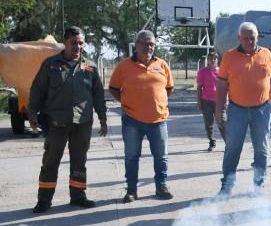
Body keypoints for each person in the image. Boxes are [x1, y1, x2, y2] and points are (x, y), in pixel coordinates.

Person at [28, 26, 107, 213]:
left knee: (79, 161)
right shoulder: (51, 64)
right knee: (50, 161)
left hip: (83, 123)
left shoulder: (90, 66)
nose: (78, 46)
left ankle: (78, 196)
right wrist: (32, 113)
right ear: (65, 43)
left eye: (81, 43)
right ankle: (44, 200)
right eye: (74, 42)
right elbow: (37, 89)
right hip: (56, 122)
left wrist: (102, 117)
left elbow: (97, 94)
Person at [215, 22, 271, 196]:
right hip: (237, 110)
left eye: (252, 38)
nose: (249, 41)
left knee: (261, 149)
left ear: (257, 37)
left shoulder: (267, 54)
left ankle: (258, 186)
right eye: (245, 38)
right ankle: (227, 185)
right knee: (232, 148)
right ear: (239, 38)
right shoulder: (229, 57)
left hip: (262, 110)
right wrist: (218, 110)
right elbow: (222, 86)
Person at [110, 30, 174, 203]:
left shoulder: (162, 65)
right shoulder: (123, 66)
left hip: (158, 120)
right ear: (136, 44)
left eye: (152, 43)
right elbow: (113, 88)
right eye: (145, 43)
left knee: (161, 156)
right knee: (132, 157)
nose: (149, 47)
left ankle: (161, 186)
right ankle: (131, 190)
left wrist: (157, 103)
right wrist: (128, 102)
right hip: (132, 120)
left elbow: (169, 88)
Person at [196, 51, 225, 151]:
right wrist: (199, 101)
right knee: (208, 124)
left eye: (214, 59)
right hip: (206, 102)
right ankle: (212, 142)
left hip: (219, 102)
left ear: (217, 60)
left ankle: (229, 143)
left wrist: (226, 100)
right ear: (207, 60)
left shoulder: (222, 71)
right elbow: (199, 87)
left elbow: (226, 87)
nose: (212, 60)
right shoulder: (202, 72)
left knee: (222, 123)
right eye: (211, 59)